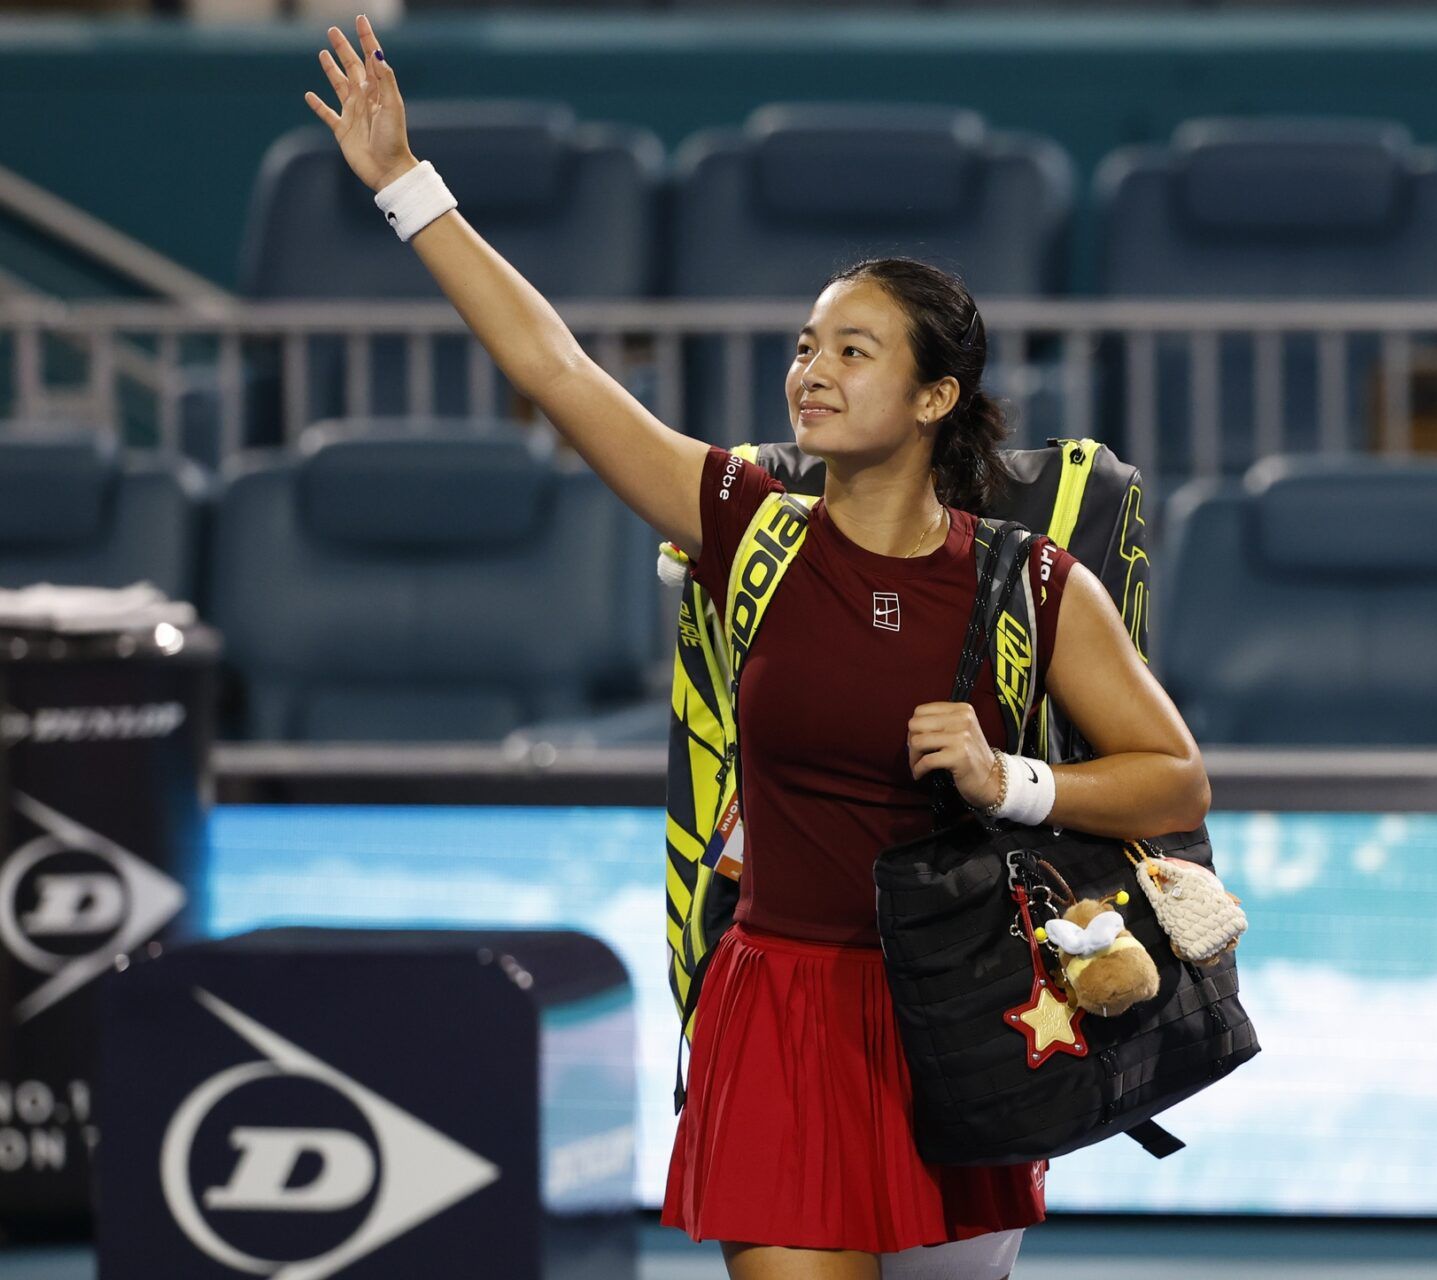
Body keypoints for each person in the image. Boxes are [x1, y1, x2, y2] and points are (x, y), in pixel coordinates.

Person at [305, 17, 1210, 1279]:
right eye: (803, 345)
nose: (811, 370)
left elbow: (1174, 779)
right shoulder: (744, 525)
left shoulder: (1032, 580)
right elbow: (558, 369)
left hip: (962, 1014)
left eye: (853, 350)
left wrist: (1016, 782)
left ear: (935, 397)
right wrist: (409, 186)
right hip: (778, 1011)